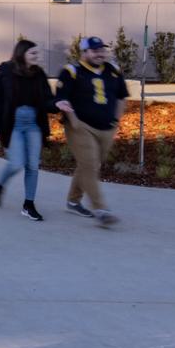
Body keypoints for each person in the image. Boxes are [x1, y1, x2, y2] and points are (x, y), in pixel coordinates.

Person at [54, 36, 128, 226]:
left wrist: (116, 120)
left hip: (107, 127)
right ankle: (101, 209)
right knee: (89, 164)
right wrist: (74, 121)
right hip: (81, 126)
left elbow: (121, 97)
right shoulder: (72, 71)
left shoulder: (113, 70)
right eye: (95, 50)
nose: (100, 53)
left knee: (91, 165)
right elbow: (62, 99)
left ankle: (73, 201)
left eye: (102, 50)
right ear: (84, 52)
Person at [0, 38, 53, 221]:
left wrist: (59, 104)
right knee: (16, 163)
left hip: (33, 125)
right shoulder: (5, 72)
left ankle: (28, 205)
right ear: (22, 53)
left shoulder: (39, 74)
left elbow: (47, 100)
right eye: (33, 53)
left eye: (37, 53)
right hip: (12, 125)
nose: (36, 56)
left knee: (33, 165)